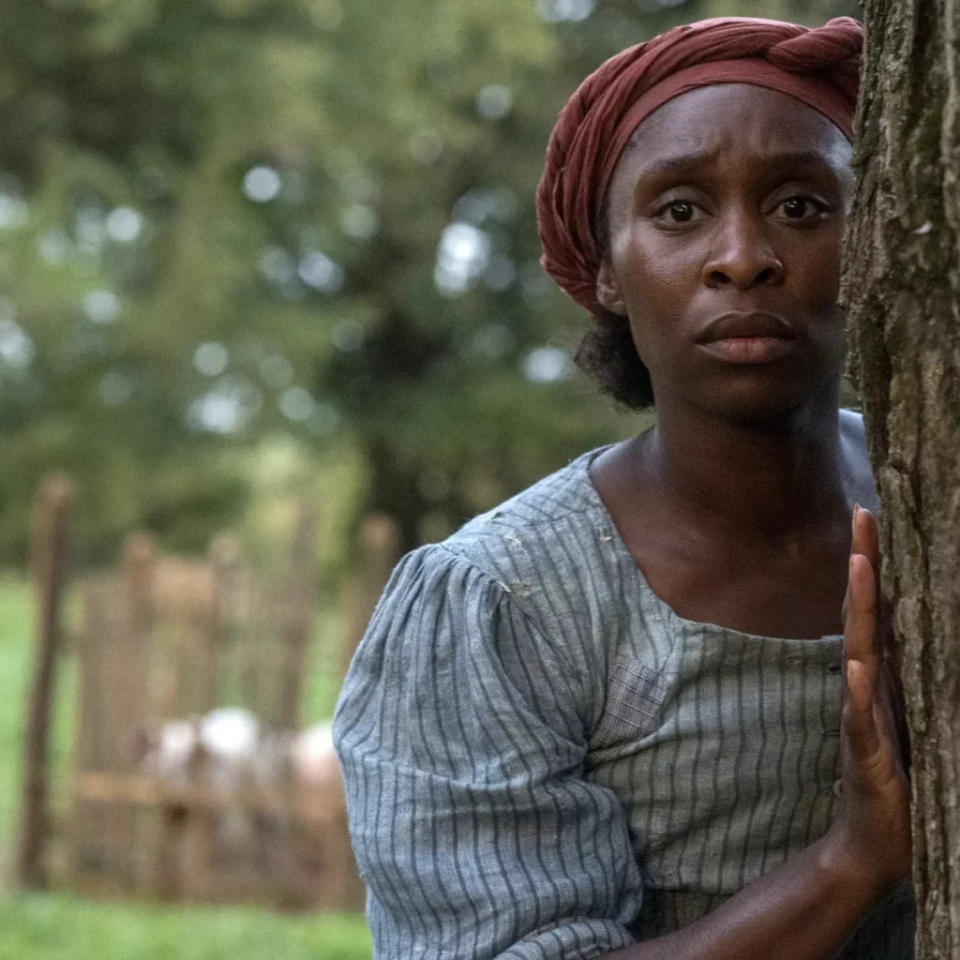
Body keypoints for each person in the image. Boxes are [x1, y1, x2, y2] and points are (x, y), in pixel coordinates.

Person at [333, 16, 914, 959]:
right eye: (679, 211)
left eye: (803, 206)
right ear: (605, 267)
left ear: (878, 232)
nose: (742, 256)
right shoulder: (502, 604)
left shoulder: (929, 505)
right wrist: (850, 864)